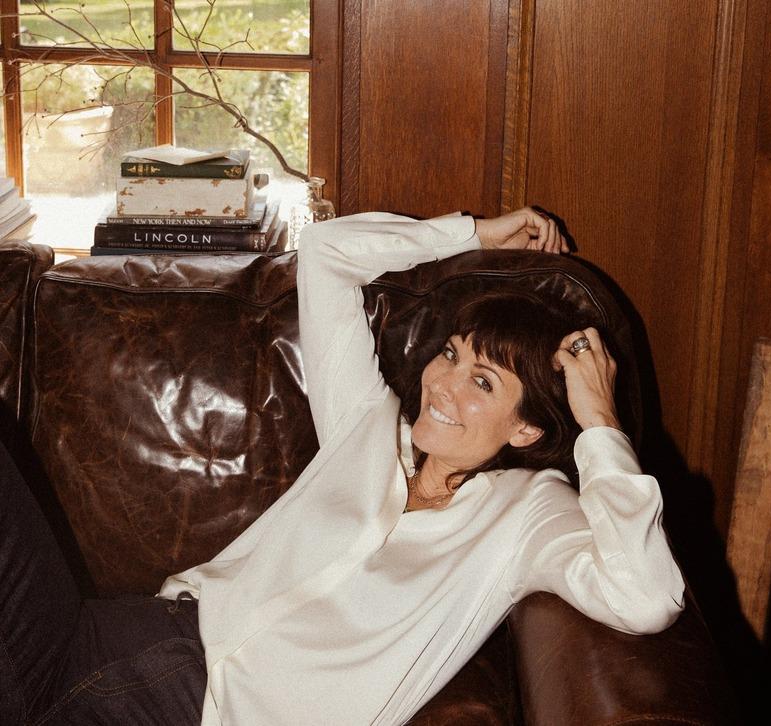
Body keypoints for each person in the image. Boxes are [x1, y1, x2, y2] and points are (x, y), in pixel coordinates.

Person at [0, 208, 685, 726]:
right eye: (449, 355)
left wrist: (598, 418)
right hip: (128, 633)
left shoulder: (526, 514)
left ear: (530, 424)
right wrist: (476, 231)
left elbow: (646, 596)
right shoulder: (368, 423)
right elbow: (327, 254)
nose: (443, 385)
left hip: (191, 708)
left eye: (483, 383)